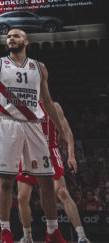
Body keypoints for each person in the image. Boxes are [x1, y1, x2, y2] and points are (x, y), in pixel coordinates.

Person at [0, 29, 66, 243]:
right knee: (6, 181)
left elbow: (47, 102)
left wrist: (60, 129)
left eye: (16, 36)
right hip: (8, 124)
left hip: (34, 124)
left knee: (47, 181)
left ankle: (52, 232)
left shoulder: (39, 68)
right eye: (9, 36)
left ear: (26, 41)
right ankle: (6, 231)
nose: (11, 39)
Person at [14, 102, 87, 243]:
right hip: (29, 152)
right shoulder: (24, 105)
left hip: (50, 150)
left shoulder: (54, 106)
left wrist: (71, 155)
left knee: (62, 192)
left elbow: (68, 132)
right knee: (22, 197)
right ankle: (27, 236)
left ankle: (82, 236)